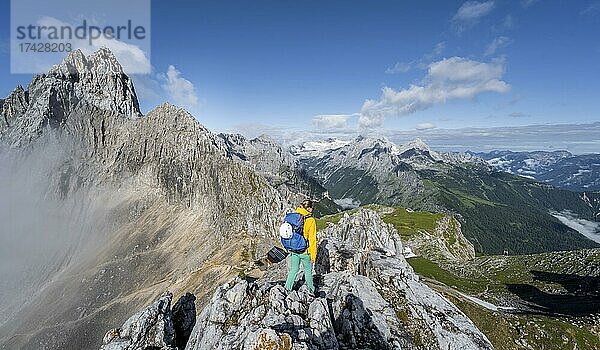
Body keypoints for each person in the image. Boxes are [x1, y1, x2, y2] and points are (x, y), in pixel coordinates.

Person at [284, 199, 317, 294]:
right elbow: (312, 239)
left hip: (294, 249)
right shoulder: (311, 220)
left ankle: (287, 288)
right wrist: (313, 255)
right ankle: (311, 290)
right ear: (309, 208)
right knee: (308, 271)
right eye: (312, 208)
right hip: (305, 251)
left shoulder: (294, 216)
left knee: (293, 270)